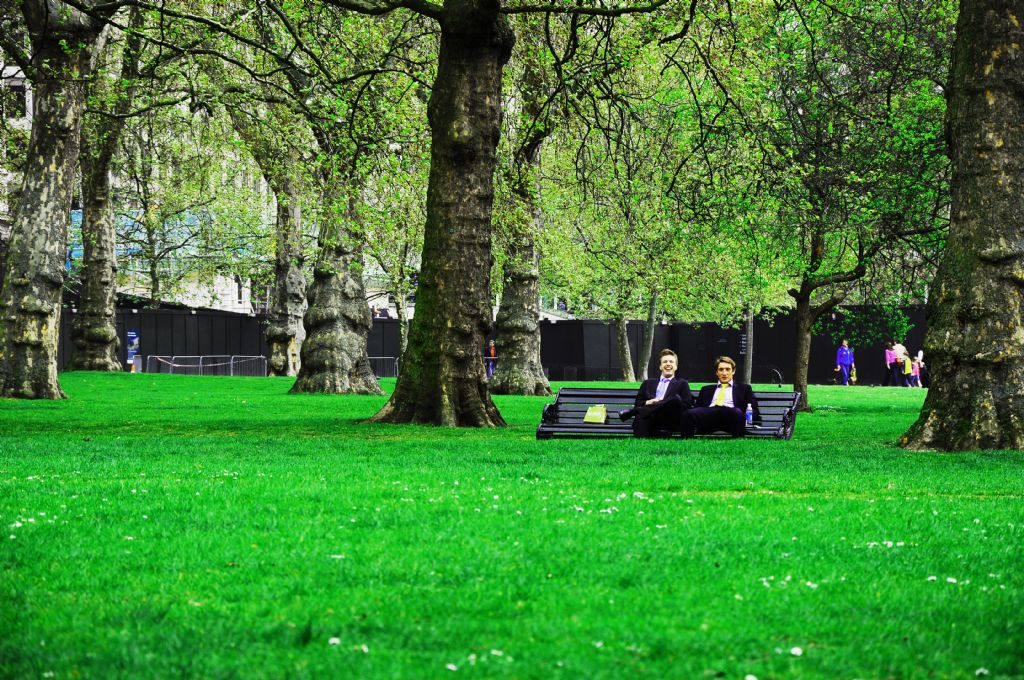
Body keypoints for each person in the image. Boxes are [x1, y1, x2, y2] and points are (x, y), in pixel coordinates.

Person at [618, 349, 693, 438]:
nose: (668, 364)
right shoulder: (648, 383)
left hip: (670, 418)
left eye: (671, 362)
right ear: (660, 366)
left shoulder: (682, 383)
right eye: (665, 362)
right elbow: (638, 403)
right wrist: (648, 402)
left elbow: (687, 405)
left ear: (676, 366)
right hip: (651, 417)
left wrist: (664, 402)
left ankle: (632, 412)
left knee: (675, 399)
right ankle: (640, 445)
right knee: (641, 417)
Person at [679, 356, 760, 438]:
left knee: (737, 412)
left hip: (731, 417)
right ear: (716, 372)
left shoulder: (744, 389)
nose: (724, 373)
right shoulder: (706, 389)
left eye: (727, 369)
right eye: (721, 369)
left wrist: (746, 419)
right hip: (709, 416)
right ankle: (686, 443)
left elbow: (754, 410)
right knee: (688, 414)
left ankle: (738, 442)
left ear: (733, 371)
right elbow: (697, 409)